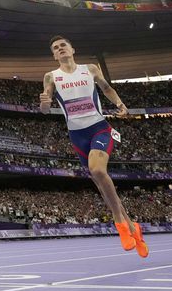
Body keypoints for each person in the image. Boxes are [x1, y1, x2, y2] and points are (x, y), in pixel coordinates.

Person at [40, 35, 148, 258]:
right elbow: (45, 107)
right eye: (55, 48)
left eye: (63, 46)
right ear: (54, 55)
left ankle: (119, 225)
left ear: (72, 49)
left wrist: (119, 104)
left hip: (98, 128)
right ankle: (132, 227)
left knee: (98, 170)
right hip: (76, 135)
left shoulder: (89, 69)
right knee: (100, 184)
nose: (60, 49)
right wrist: (44, 103)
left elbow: (106, 88)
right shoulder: (51, 77)